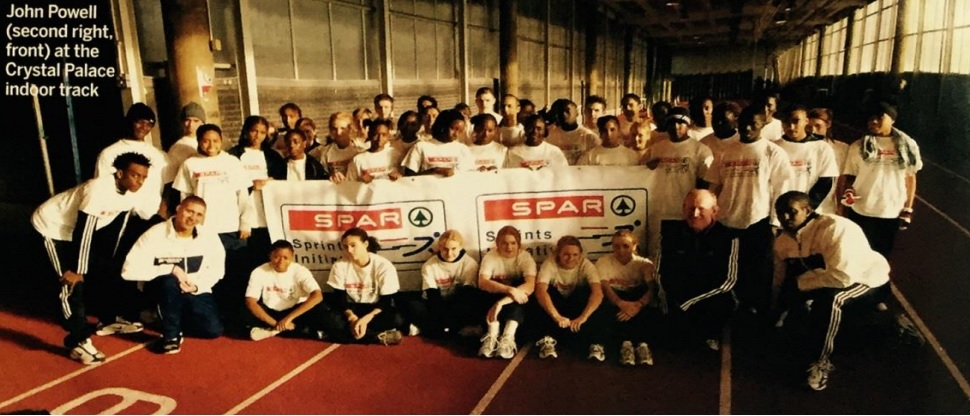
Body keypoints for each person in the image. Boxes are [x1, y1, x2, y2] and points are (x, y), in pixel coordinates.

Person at [32, 152, 154, 364]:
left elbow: (119, 223)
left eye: (143, 177)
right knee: (70, 283)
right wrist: (78, 269)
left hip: (75, 231)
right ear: (120, 173)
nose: (140, 181)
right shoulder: (98, 189)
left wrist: (108, 261)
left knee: (103, 269)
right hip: (52, 227)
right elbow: (84, 229)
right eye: (135, 175)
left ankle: (108, 319)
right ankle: (78, 341)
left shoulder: (133, 191)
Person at [772, 191, 890, 391]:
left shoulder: (834, 228)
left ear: (807, 210)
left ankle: (820, 362)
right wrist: (775, 306)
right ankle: (883, 325)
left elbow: (843, 277)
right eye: (780, 212)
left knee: (830, 301)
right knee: (797, 306)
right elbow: (779, 278)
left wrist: (801, 285)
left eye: (791, 212)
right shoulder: (782, 241)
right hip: (828, 279)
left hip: (867, 280)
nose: (785, 217)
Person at [703, 103, 792, 315]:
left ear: (762, 125)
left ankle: (757, 315)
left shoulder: (773, 152)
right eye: (743, 124)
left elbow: (782, 190)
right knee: (725, 270)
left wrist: (774, 222)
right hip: (726, 221)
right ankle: (728, 310)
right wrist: (710, 216)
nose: (748, 129)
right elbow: (713, 186)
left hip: (758, 221)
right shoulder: (726, 152)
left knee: (758, 272)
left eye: (753, 125)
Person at [122, 196, 226, 354]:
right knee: (170, 281)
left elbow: (218, 271)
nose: (193, 218)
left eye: (199, 214)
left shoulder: (209, 237)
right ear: (178, 209)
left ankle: (165, 317)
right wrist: (170, 269)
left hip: (192, 290)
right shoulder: (155, 234)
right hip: (162, 290)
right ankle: (171, 336)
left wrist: (197, 286)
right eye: (189, 211)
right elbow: (128, 271)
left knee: (213, 330)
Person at [172, 124, 256, 317]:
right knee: (206, 274)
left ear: (221, 141)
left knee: (234, 274)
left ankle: (235, 316)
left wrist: (245, 223)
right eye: (206, 140)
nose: (211, 145)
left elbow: (244, 196)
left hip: (230, 229)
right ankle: (212, 314)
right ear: (199, 141)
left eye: (215, 140)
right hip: (203, 230)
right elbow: (185, 198)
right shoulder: (190, 164)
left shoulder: (232, 162)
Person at [837, 101, 921, 258]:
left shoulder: (908, 146)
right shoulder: (858, 146)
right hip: (862, 209)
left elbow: (910, 179)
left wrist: (908, 208)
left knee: (883, 256)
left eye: (879, 117)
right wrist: (844, 201)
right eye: (870, 118)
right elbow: (849, 176)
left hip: (891, 211)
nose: (873, 121)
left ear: (892, 120)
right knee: (859, 255)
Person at [657, 190, 739, 351]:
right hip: (679, 295)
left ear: (714, 211)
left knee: (722, 303)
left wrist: (690, 302)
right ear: (683, 208)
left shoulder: (728, 236)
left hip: (710, 296)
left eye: (701, 208)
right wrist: (672, 299)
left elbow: (728, 281)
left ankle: (709, 335)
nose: (694, 213)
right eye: (690, 208)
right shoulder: (669, 234)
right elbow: (660, 271)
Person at [642, 107, 713, 256]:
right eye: (672, 122)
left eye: (681, 122)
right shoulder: (656, 149)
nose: (676, 126)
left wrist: (697, 210)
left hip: (686, 212)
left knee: (683, 253)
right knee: (657, 252)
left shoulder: (701, 150)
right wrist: (646, 168)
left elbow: (704, 184)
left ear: (689, 125)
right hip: (659, 211)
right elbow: (641, 174)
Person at [244, 240, 340, 341]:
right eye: (277, 257)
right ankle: (293, 330)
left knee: (326, 314)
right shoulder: (259, 271)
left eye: (285, 258)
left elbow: (317, 295)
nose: (281, 261)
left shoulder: (299, 270)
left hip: (294, 312)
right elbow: (251, 301)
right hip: (271, 313)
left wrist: (288, 319)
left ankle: (274, 331)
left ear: (292, 257)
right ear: (270, 256)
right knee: (244, 313)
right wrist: (277, 324)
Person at [534, 236, 608, 361]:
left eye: (575, 255)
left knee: (591, 295)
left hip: (576, 307)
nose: (571, 258)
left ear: (580, 255)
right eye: (566, 254)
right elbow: (541, 290)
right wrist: (556, 316)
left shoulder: (586, 265)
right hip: (558, 309)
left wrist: (583, 317)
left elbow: (598, 293)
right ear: (558, 254)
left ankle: (596, 343)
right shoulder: (550, 263)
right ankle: (547, 339)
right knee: (544, 294)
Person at [327, 228, 405, 345]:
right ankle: (375, 337)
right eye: (345, 246)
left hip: (375, 310)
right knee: (329, 319)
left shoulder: (383, 266)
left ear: (365, 244)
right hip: (351, 309)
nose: (349, 250)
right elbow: (339, 297)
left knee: (397, 319)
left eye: (353, 245)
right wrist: (352, 317)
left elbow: (386, 300)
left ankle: (339, 335)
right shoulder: (339, 266)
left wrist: (365, 319)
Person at [227, 115, 284, 273]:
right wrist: (251, 185)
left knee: (266, 259)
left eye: (262, 132)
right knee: (244, 263)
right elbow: (227, 186)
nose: (257, 136)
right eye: (254, 131)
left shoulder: (273, 157)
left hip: (267, 217)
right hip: (244, 218)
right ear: (246, 131)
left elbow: (284, 185)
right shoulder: (233, 155)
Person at [597, 230, 657, 366]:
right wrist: (620, 303)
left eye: (625, 246)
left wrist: (638, 305)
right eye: (616, 246)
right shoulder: (603, 262)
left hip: (636, 299)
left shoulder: (644, 263)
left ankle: (642, 345)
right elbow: (605, 287)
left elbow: (652, 288)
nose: (621, 250)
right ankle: (625, 345)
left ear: (634, 246)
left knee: (644, 301)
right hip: (616, 298)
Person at [406, 230, 481, 337]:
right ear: (439, 248)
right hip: (436, 304)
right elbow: (432, 296)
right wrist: (443, 317)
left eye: (453, 249)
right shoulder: (429, 265)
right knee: (413, 306)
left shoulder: (470, 263)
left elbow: (467, 293)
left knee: (472, 303)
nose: (449, 253)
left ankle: (435, 329)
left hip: (457, 303)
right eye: (445, 249)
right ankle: (452, 329)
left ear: (461, 247)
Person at [477, 226, 537, 359]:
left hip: (512, 301)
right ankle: (492, 335)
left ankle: (508, 337)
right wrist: (509, 290)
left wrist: (502, 302)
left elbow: (530, 285)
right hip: (496, 295)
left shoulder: (525, 258)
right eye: (504, 243)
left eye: (513, 243)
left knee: (520, 295)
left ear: (519, 244)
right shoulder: (490, 257)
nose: (509, 247)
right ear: (497, 244)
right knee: (485, 291)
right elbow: (482, 282)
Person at [774, 107, 839, 213]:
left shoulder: (822, 148)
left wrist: (805, 208)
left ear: (806, 121)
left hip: (809, 212)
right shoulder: (773, 147)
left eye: (796, 121)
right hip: (777, 212)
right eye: (786, 122)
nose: (791, 127)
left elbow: (825, 182)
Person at [402, 109, 473, 177]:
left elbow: (470, 175)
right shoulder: (420, 147)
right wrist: (434, 171)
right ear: (443, 125)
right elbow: (408, 177)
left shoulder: (463, 149)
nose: (456, 134)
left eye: (460, 131)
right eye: (453, 128)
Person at [808, 108, 849, 215]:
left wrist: (841, 206)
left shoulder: (842, 149)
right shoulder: (801, 148)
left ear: (828, 124)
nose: (813, 131)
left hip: (828, 207)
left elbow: (842, 180)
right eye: (809, 127)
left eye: (818, 126)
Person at [308, 112, 364, 184]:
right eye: (334, 129)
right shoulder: (324, 151)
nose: (338, 132)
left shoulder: (360, 149)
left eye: (342, 128)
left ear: (350, 129)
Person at [545, 98, 600, 165]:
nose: (564, 115)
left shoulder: (590, 137)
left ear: (577, 112)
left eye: (567, 111)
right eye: (559, 111)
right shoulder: (548, 134)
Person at [346, 118, 403, 183]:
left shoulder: (395, 154)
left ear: (388, 136)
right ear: (370, 134)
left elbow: (407, 180)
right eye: (376, 134)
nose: (380, 138)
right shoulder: (358, 159)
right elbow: (349, 185)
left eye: (383, 135)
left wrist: (399, 177)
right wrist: (361, 181)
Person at [167, 102, 207, 168]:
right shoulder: (178, 148)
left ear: (202, 123)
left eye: (196, 121)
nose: (191, 124)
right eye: (187, 120)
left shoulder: (210, 141)